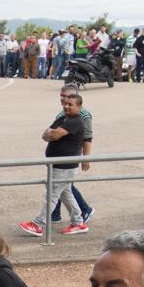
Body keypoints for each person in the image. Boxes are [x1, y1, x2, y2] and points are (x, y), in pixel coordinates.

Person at [19, 93, 89, 236]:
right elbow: (46, 135)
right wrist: (52, 133)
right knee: (65, 194)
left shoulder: (75, 121)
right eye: (65, 104)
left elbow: (54, 135)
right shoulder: (63, 118)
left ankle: (38, 224)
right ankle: (78, 223)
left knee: (51, 194)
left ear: (79, 107)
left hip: (64, 166)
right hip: (59, 165)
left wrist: (53, 133)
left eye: (71, 105)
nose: (66, 106)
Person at [48, 84, 95, 225]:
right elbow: (51, 131)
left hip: (70, 157)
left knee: (62, 186)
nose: (63, 99)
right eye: (62, 96)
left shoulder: (83, 115)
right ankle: (55, 214)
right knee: (61, 186)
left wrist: (85, 158)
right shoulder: (63, 113)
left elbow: (87, 137)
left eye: (67, 97)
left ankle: (84, 210)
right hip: (58, 156)